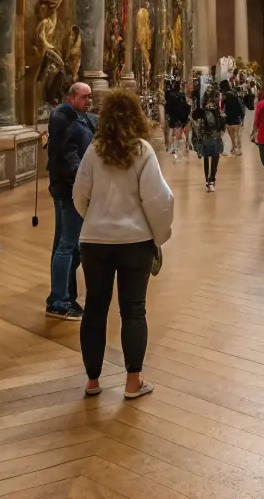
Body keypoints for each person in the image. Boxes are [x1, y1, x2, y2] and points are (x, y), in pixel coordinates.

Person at [73, 90, 174, 401]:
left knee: (94, 308)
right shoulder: (143, 151)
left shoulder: (93, 150)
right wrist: (159, 235)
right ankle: (132, 381)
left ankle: (93, 380)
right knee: (133, 310)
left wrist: (94, 219)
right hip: (135, 241)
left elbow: (80, 194)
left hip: (95, 242)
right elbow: (158, 200)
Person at [45, 81, 94, 320]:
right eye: (84, 97)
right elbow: (67, 155)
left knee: (67, 243)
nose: (89, 101)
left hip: (71, 187)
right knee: (68, 245)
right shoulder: (63, 118)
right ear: (71, 97)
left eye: (90, 97)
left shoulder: (78, 117)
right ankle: (59, 300)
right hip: (69, 189)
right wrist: (83, 178)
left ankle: (64, 294)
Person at [191, 91, 226, 190]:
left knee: (206, 159)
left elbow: (196, 124)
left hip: (205, 138)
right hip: (214, 137)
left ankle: (208, 180)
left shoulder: (201, 112)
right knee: (215, 159)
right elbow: (219, 126)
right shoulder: (216, 112)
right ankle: (212, 180)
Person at [165, 79, 191, 159]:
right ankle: (186, 144)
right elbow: (185, 105)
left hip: (174, 116)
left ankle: (174, 148)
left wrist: (167, 113)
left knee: (174, 132)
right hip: (182, 116)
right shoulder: (182, 95)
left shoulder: (171, 96)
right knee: (183, 131)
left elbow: (169, 107)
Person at [220, 79, 246, 155]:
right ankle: (236, 149)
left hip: (229, 119)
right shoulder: (234, 94)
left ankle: (234, 148)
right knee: (237, 136)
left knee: (232, 136)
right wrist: (241, 117)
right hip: (236, 118)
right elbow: (240, 106)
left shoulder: (224, 97)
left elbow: (223, 108)